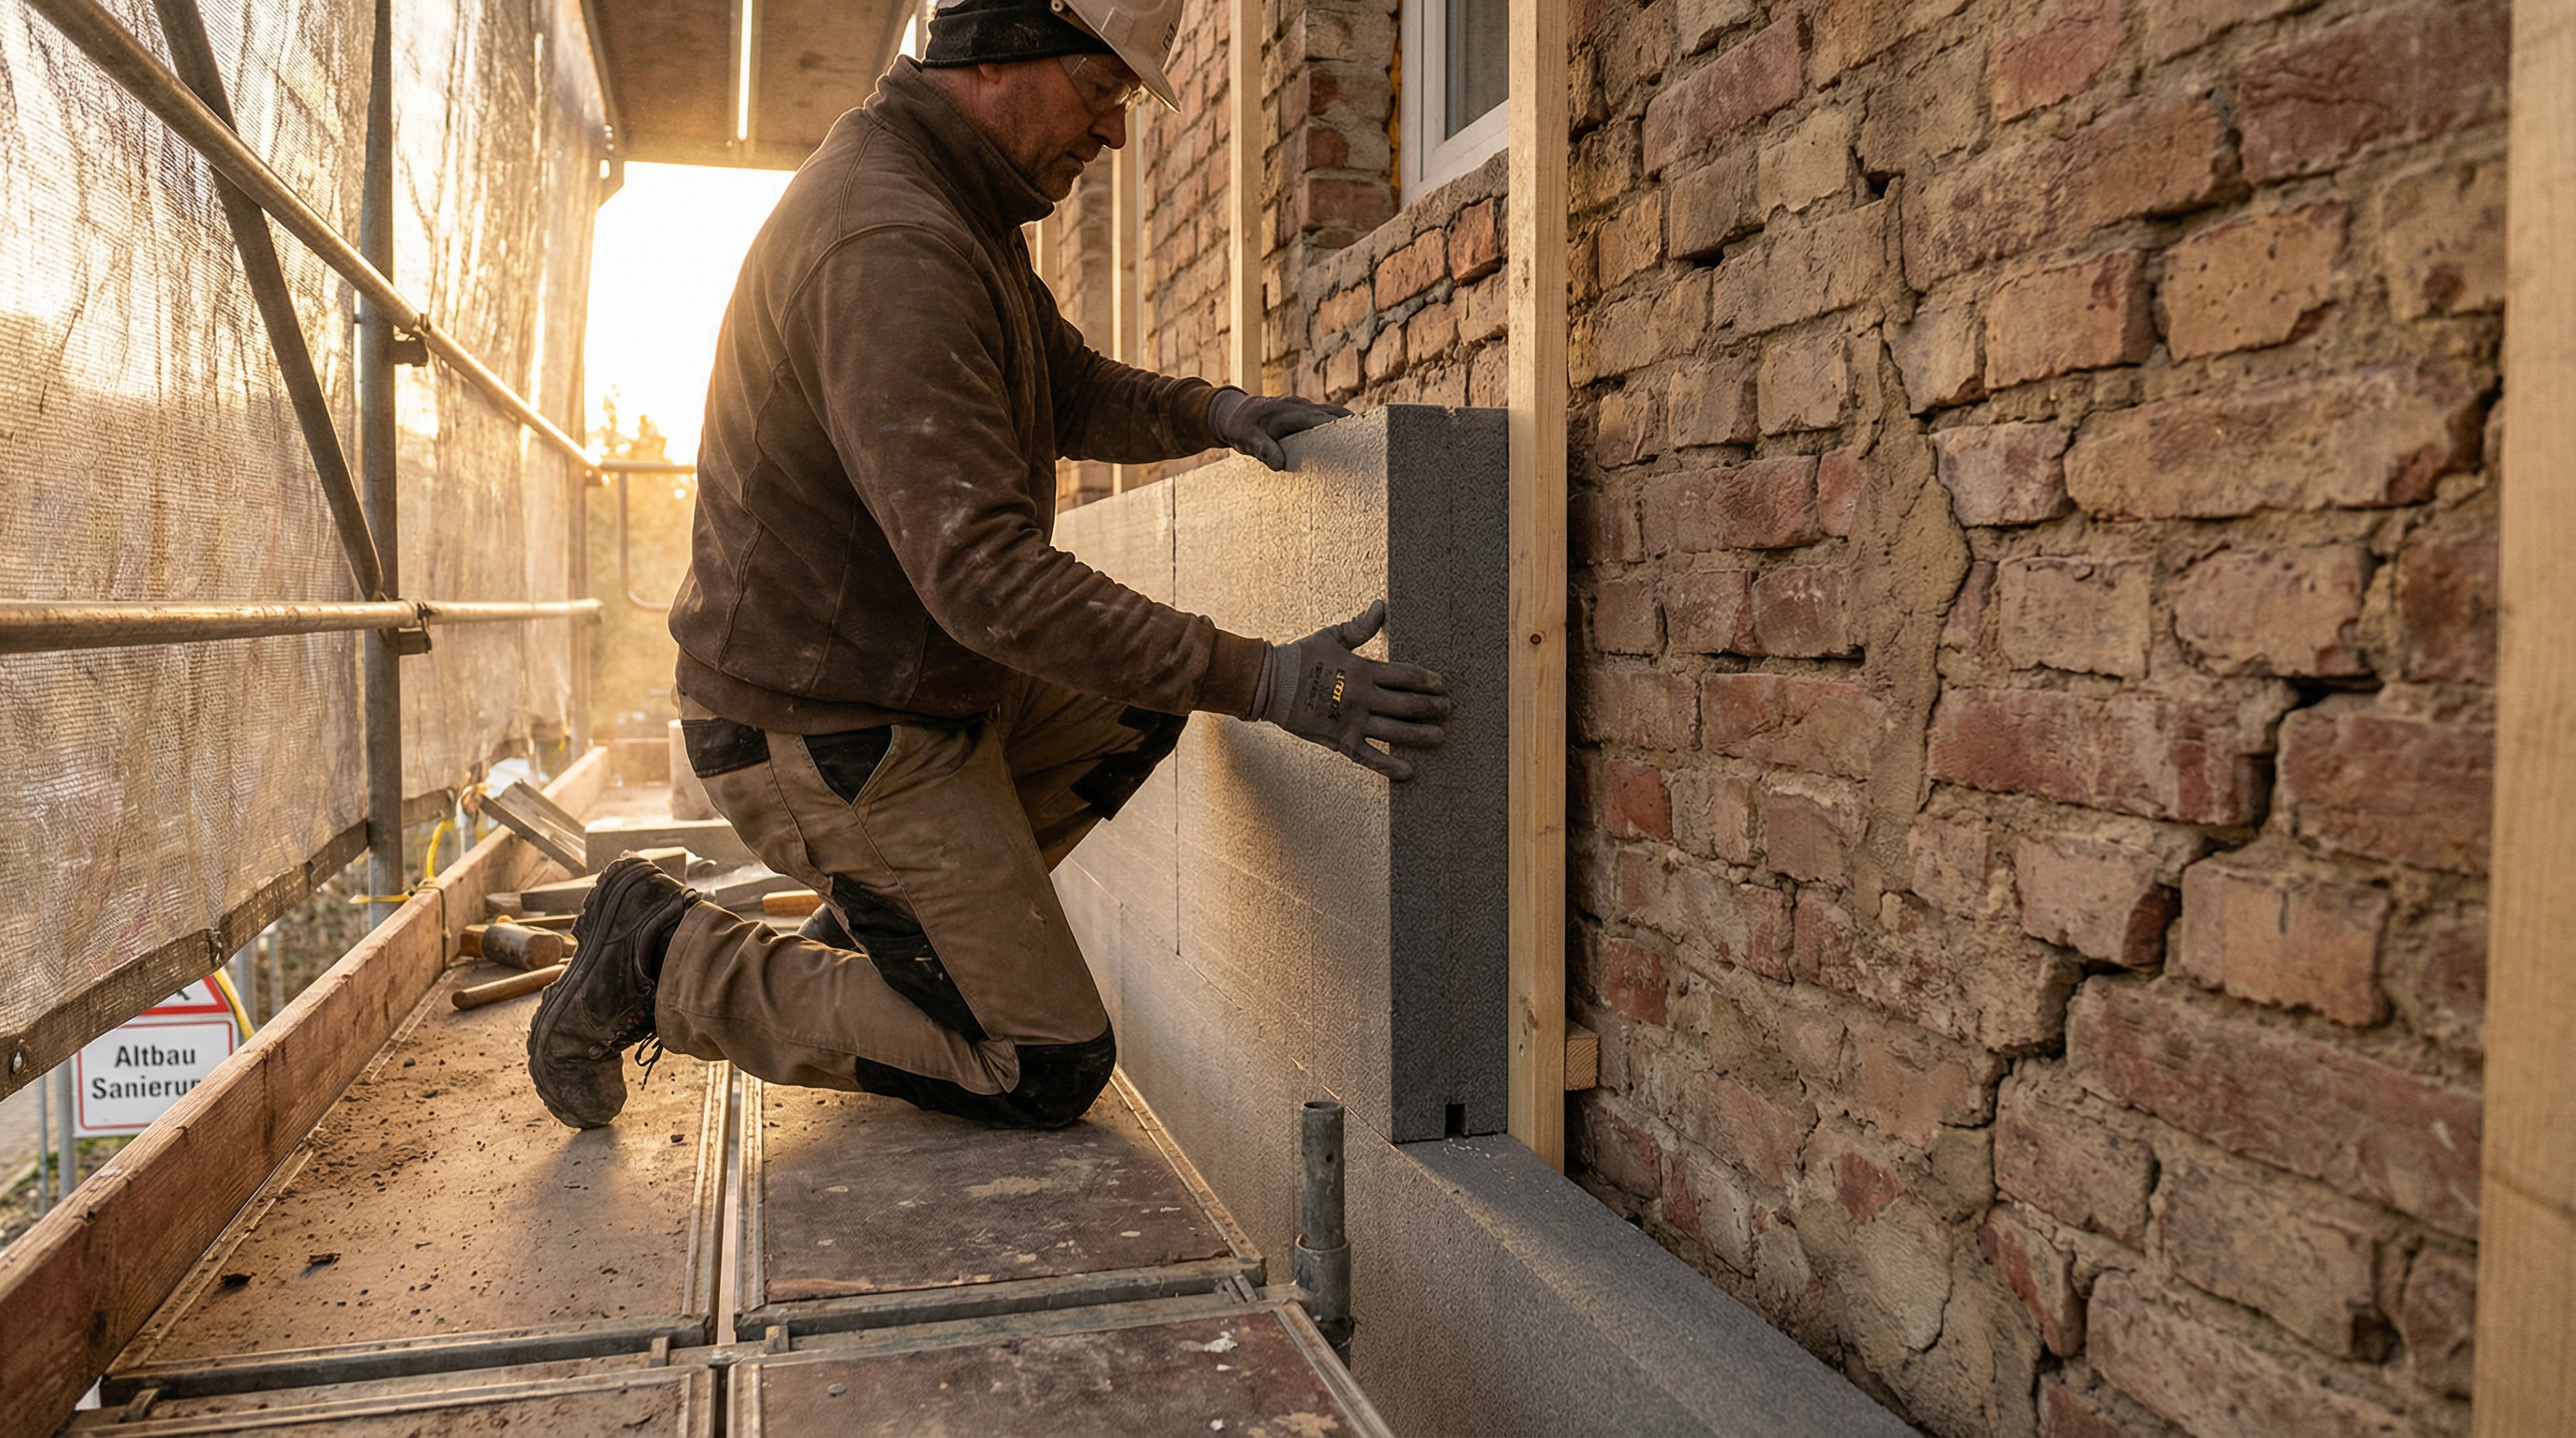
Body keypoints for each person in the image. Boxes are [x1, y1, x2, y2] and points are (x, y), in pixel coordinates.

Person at [526, 0, 1452, 1131]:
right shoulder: (892, 242)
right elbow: (985, 580)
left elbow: (1060, 382)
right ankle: (663, 954)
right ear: (996, 57)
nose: (1112, 133)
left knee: (1132, 702)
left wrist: (1215, 411)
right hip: (819, 727)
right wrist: (1273, 682)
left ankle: (891, 942)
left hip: (906, 685)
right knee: (1044, 1060)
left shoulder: (952, 200)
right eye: (1100, 92)